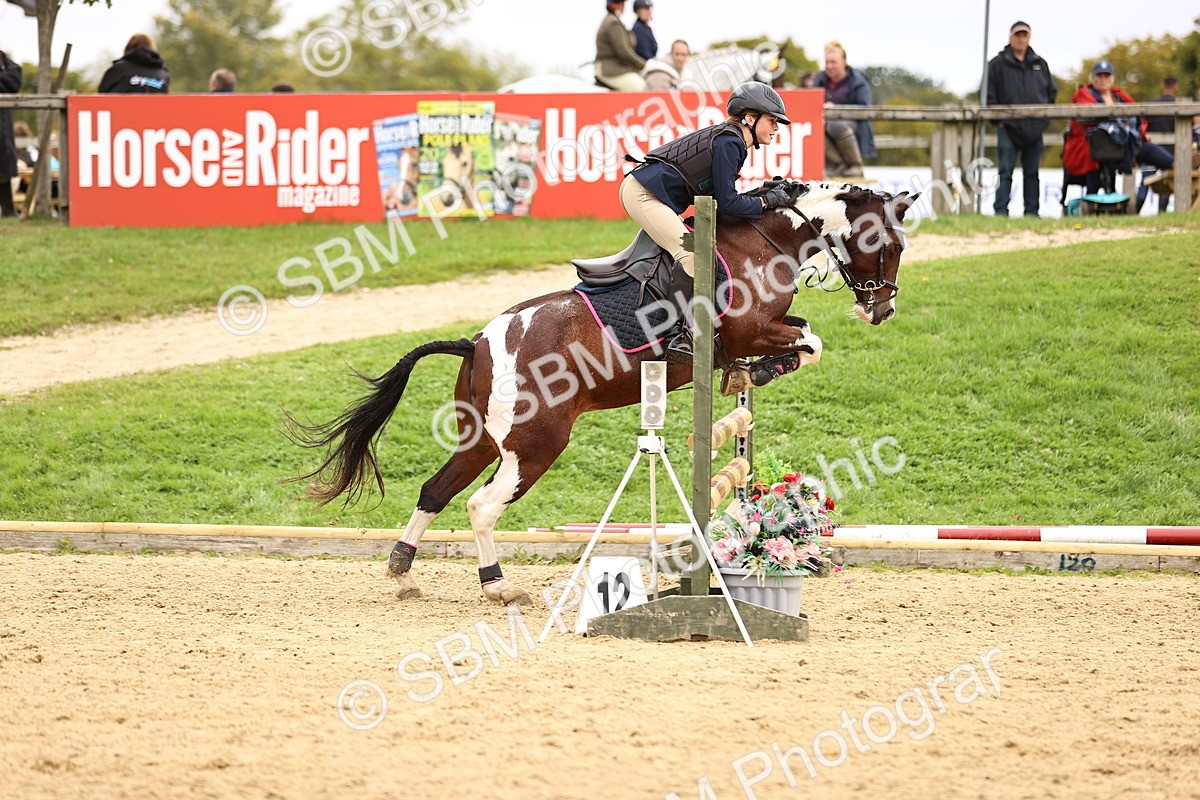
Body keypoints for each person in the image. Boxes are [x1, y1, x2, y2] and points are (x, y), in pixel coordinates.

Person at [619, 81, 794, 360]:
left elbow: (723, 202)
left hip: (650, 193)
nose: (776, 127)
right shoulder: (731, 142)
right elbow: (728, 203)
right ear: (750, 118)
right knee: (692, 256)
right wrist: (765, 201)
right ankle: (675, 334)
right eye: (772, 120)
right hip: (644, 195)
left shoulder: (733, 140)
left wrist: (764, 194)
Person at [1063, 60, 1174, 199]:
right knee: (1098, 155)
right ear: (1092, 78)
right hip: (1096, 146)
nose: (1103, 79)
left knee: (1148, 148)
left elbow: (1136, 114)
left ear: (1112, 78)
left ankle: (1178, 164)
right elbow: (1084, 116)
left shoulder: (1119, 96)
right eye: (1099, 76)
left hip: (1124, 144)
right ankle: (1094, 202)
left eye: (1106, 75)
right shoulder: (1083, 94)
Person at [985, 21, 1057, 217]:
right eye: (1017, 35)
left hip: (1034, 128)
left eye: (1024, 35)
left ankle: (1032, 212)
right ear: (1010, 37)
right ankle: (1000, 211)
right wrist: (997, 120)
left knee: (1032, 173)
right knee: (1005, 171)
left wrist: (1043, 120)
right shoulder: (996, 64)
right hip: (1007, 127)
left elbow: (1051, 93)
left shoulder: (1040, 64)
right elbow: (989, 95)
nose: (1021, 39)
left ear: (1029, 37)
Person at [813, 40, 876, 179]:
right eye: (827, 62)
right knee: (812, 127)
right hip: (825, 126)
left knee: (835, 125)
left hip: (855, 127)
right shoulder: (820, 79)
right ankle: (839, 165)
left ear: (844, 62)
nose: (829, 66)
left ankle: (856, 166)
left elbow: (866, 109)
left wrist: (836, 109)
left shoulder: (857, 81)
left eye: (833, 62)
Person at [1138, 76, 1178, 212]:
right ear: (1175, 88)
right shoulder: (1179, 105)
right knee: (1167, 186)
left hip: (1151, 151)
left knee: (1144, 183)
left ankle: (1135, 212)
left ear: (1163, 86)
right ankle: (1161, 213)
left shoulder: (1151, 104)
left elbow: (1142, 125)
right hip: (1169, 154)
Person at [594, 1, 645, 91]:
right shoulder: (613, 23)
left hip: (615, 68)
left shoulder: (613, 20)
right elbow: (623, 52)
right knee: (642, 87)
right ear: (619, 4)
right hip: (610, 70)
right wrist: (644, 65)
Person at [98, 33, 169, 94]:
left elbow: (102, 94)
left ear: (128, 48)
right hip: (153, 110)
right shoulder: (162, 74)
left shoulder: (118, 69)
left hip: (121, 109)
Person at [0, 50, 21, 218]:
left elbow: (14, 82)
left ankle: (8, 212)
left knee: (3, 173)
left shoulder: (6, 62)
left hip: (2, 126)